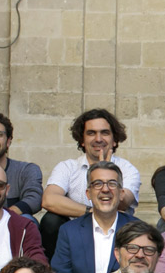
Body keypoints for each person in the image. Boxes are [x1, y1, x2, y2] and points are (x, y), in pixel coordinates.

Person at [43, 109, 142, 255]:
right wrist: (91, 213)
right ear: (82, 140)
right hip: (76, 235)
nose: (98, 139)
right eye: (91, 133)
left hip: (114, 236)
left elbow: (122, 203)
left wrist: (106, 171)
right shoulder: (67, 167)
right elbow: (49, 200)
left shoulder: (127, 169)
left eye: (105, 133)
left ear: (114, 140)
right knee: (50, 220)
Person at [50, 160, 142, 273]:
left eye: (112, 184)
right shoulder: (69, 231)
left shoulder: (138, 230)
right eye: (98, 184)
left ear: (121, 193)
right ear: (88, 193)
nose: (105, 189)